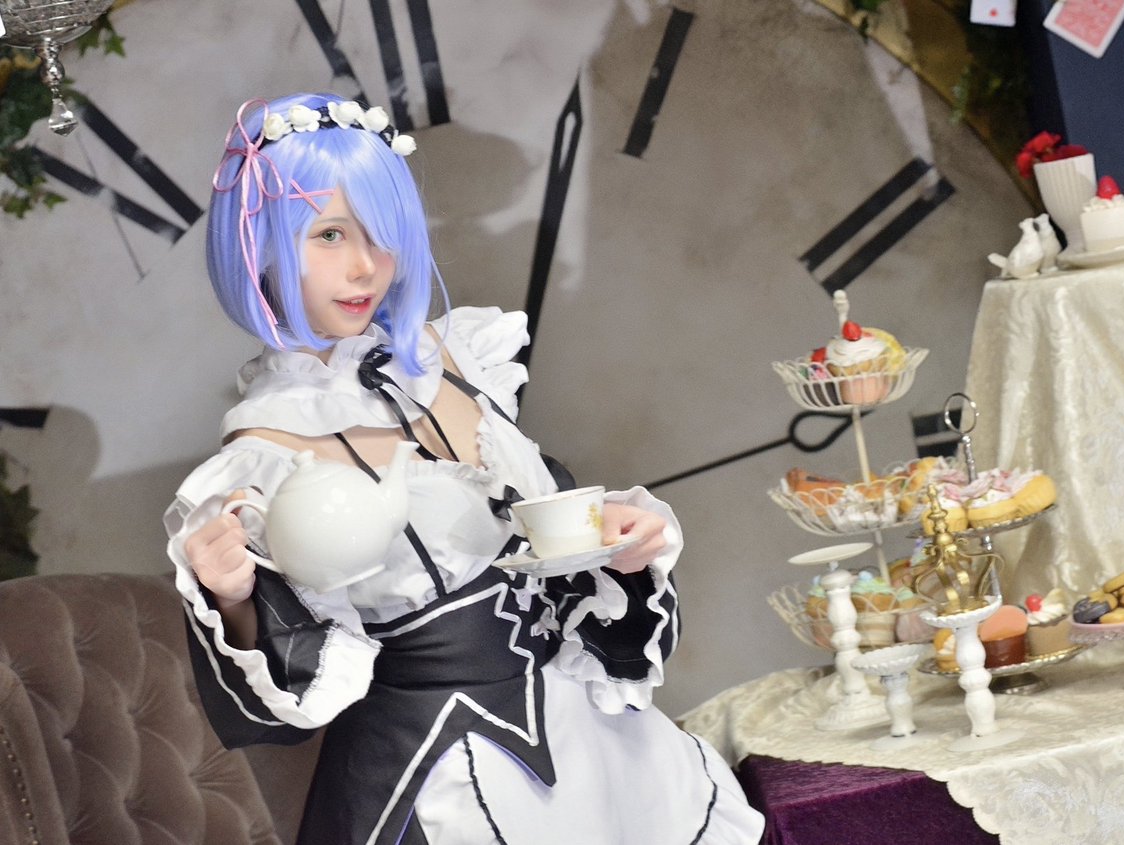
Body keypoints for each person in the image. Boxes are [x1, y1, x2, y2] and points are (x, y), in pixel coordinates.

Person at [166, 92, 764, 845]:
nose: (365, 266)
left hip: (597, 746)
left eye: (382, 233)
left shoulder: (458, 359)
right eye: (329, 234)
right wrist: (232, 600)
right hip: (436, 777)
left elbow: (550, 569)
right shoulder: (263, 450)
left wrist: (620, 546)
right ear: (257, 246)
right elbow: (291, 694)